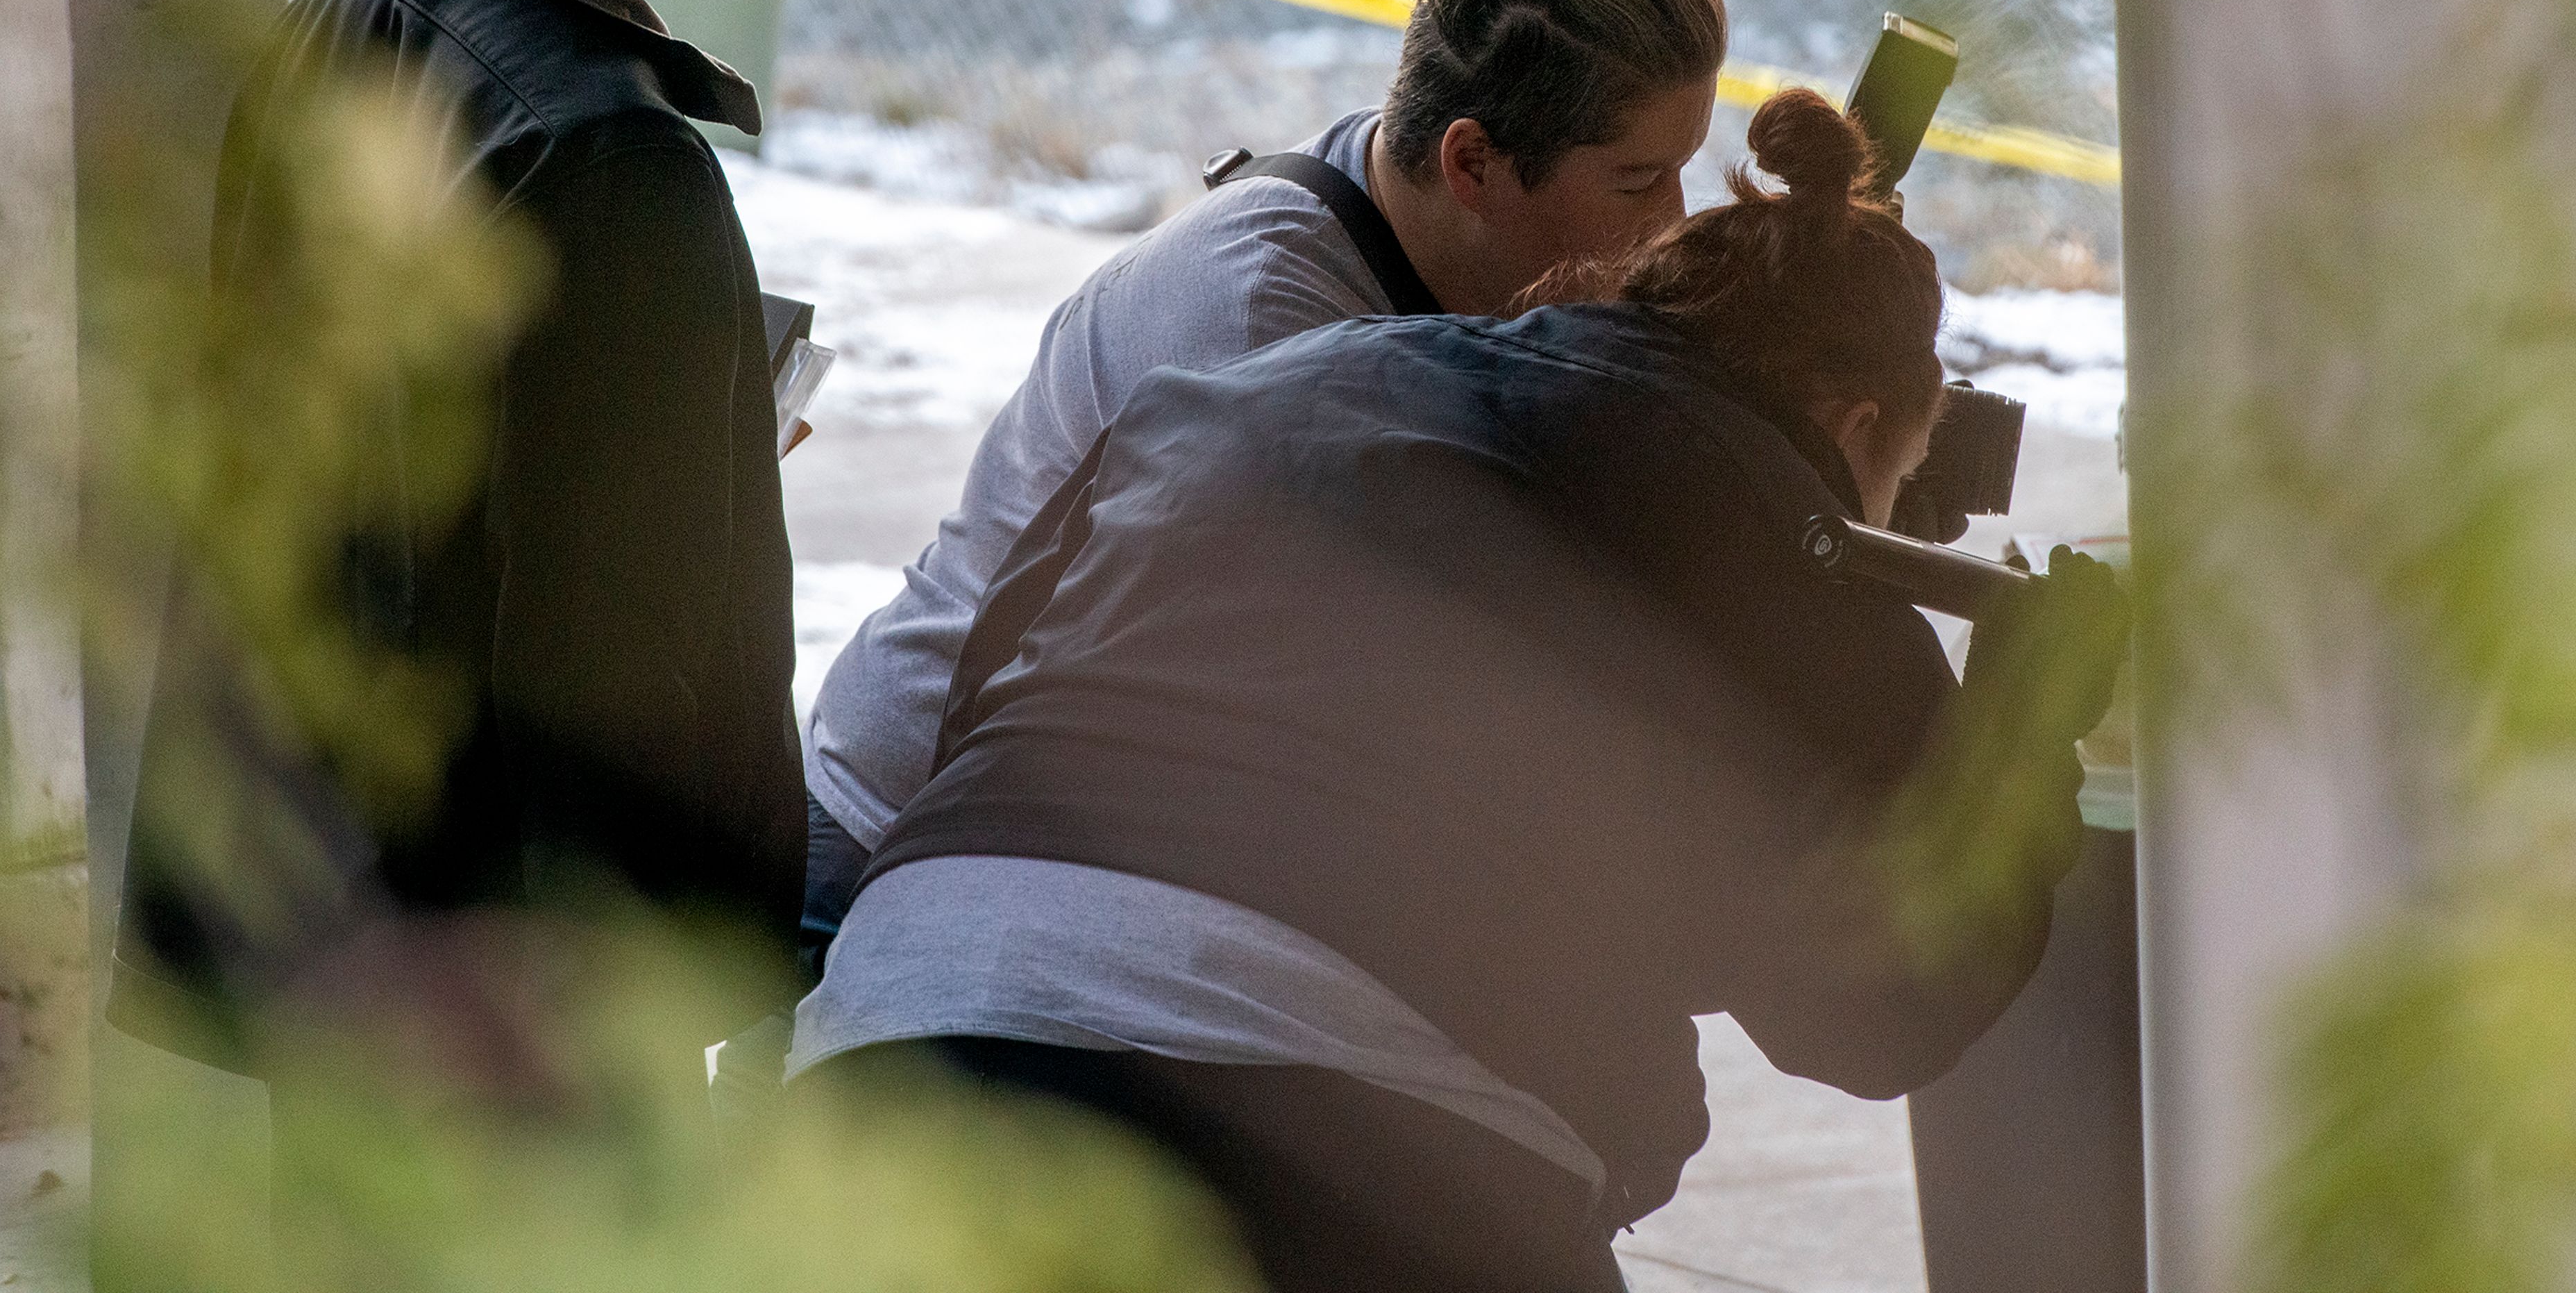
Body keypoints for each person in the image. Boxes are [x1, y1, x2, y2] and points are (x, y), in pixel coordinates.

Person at [791, 91, 2124, 1292]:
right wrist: (2014, 727)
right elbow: (1875, 1011)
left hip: (899, 1025)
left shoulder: (1283, 377)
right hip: (1317, 1132)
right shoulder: (1787, 532)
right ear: (1854, 426)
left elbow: (991, 683)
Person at [110, 0, 831, 1074]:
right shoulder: (619, 165)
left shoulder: (326, 39)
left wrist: (686, 451)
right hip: (516, 1033)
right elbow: (603, 704)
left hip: (304, 952)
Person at [801, 0, 1733, 946]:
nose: (1676, 222)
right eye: (1641, 180)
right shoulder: (1262, 328)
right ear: (1475, 161)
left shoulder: (1413, 205)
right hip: (897, 845)